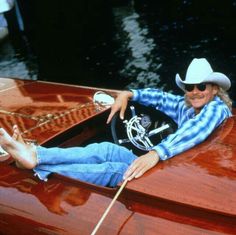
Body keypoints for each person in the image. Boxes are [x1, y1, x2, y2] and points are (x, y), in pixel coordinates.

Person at [0, 58, 232, 187]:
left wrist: (155, 153)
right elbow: (161, 98)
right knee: (106, 148)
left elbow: (195, 130)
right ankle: (36, 156)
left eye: (201, 86)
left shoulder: (217, 108)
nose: (195, 91)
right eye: (190, 87)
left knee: (112, 169)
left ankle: (39, 168)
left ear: (213, 89)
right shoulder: (186, 104)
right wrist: (129, 94)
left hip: (176, 176)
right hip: (168, 161)